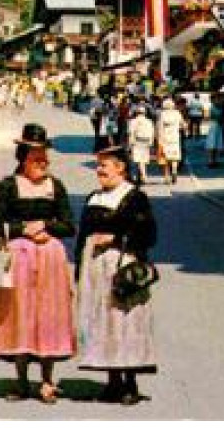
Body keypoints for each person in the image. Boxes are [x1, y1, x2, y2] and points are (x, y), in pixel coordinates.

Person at [0, 124, 75, 404]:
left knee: (49, 316)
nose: (42, 162)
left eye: (45, 157)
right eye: (36, 157)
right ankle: (21, 380)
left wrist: (48, 227)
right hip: (20, 260)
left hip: (49, 258)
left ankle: (47, 381)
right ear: (23, 158)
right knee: (20, 315)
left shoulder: (55, 186)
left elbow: (69, 224)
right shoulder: (9, 186)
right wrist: (23, 228)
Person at [76, 145, 159, 404]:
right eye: (98, 165)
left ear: (120, 168)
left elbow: (149, 234)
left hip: (123, 268)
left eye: (104, 165)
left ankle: (130, 383)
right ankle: (112, 381)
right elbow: (82, 237)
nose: (99, 170)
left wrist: (116, 237)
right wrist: (78, 271)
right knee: (103, 322)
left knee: (127, 322)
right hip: (95, 269)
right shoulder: (93, 198)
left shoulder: (134, 197)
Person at [156, 97, 185, 184]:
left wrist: (158, 139)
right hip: (175, 137)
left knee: (165, 157)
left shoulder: (162, 114)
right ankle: (174, 172)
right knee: (174, 156)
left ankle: (166, 177)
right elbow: (183, 124)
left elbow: (159, 128)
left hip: (165, 137)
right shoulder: (177, 113)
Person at [127, 104, 155, 186]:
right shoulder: (149, 121)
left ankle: (144, 177)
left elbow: (131, 133)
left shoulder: (133, 121)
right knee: (143, 159)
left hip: (137, 141)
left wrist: (130, 144)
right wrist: (151, 142)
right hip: (146, 141)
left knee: (139, 159)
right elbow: (152, 132)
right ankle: (141, 177)